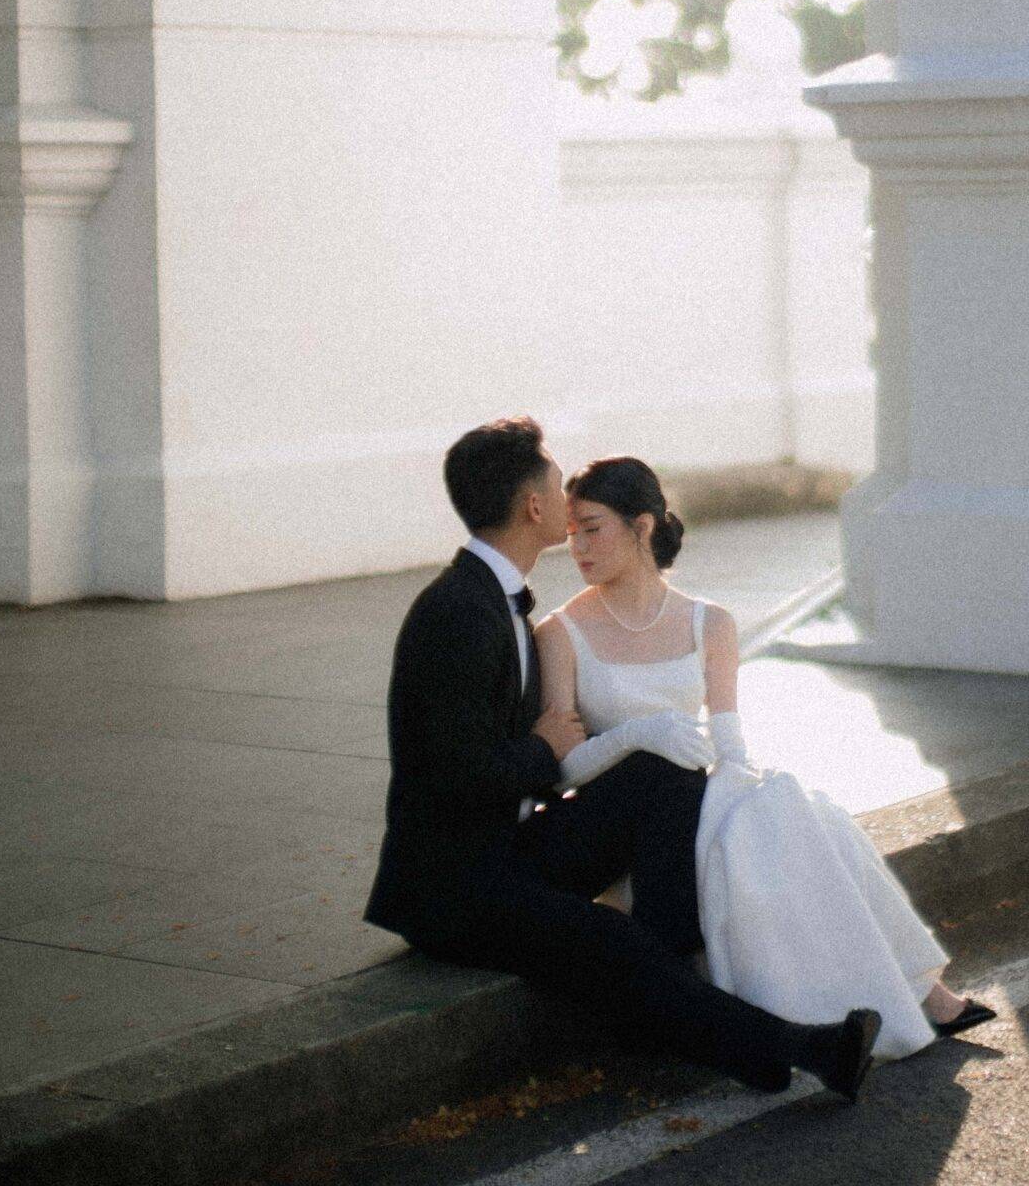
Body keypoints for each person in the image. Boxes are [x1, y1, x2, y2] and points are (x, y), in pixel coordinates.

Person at [364, 418, 882, 1101]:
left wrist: (582, 747)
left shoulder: (495, 600)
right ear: (532, 507)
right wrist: (544, 749)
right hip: (451, 888)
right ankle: (798, 1048)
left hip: (505, 848)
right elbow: (452, 780)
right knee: (607, 937)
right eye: (554, 480)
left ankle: (669, 993)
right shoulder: (456, 613)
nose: (563, 492)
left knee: (660, 769)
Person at [539, 455, 999, 1060]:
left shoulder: (710, 622)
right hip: (635, 832)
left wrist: (728, 802)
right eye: (570, 532)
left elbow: (730, 748)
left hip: (701, 798)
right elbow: (565, 770)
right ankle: (920, 997)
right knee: (790, 820)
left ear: (643, 526)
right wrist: (638, 733)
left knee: (795, 808)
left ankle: (913, 996)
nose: (577, 546)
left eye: (592, 527)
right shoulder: (560, 632)